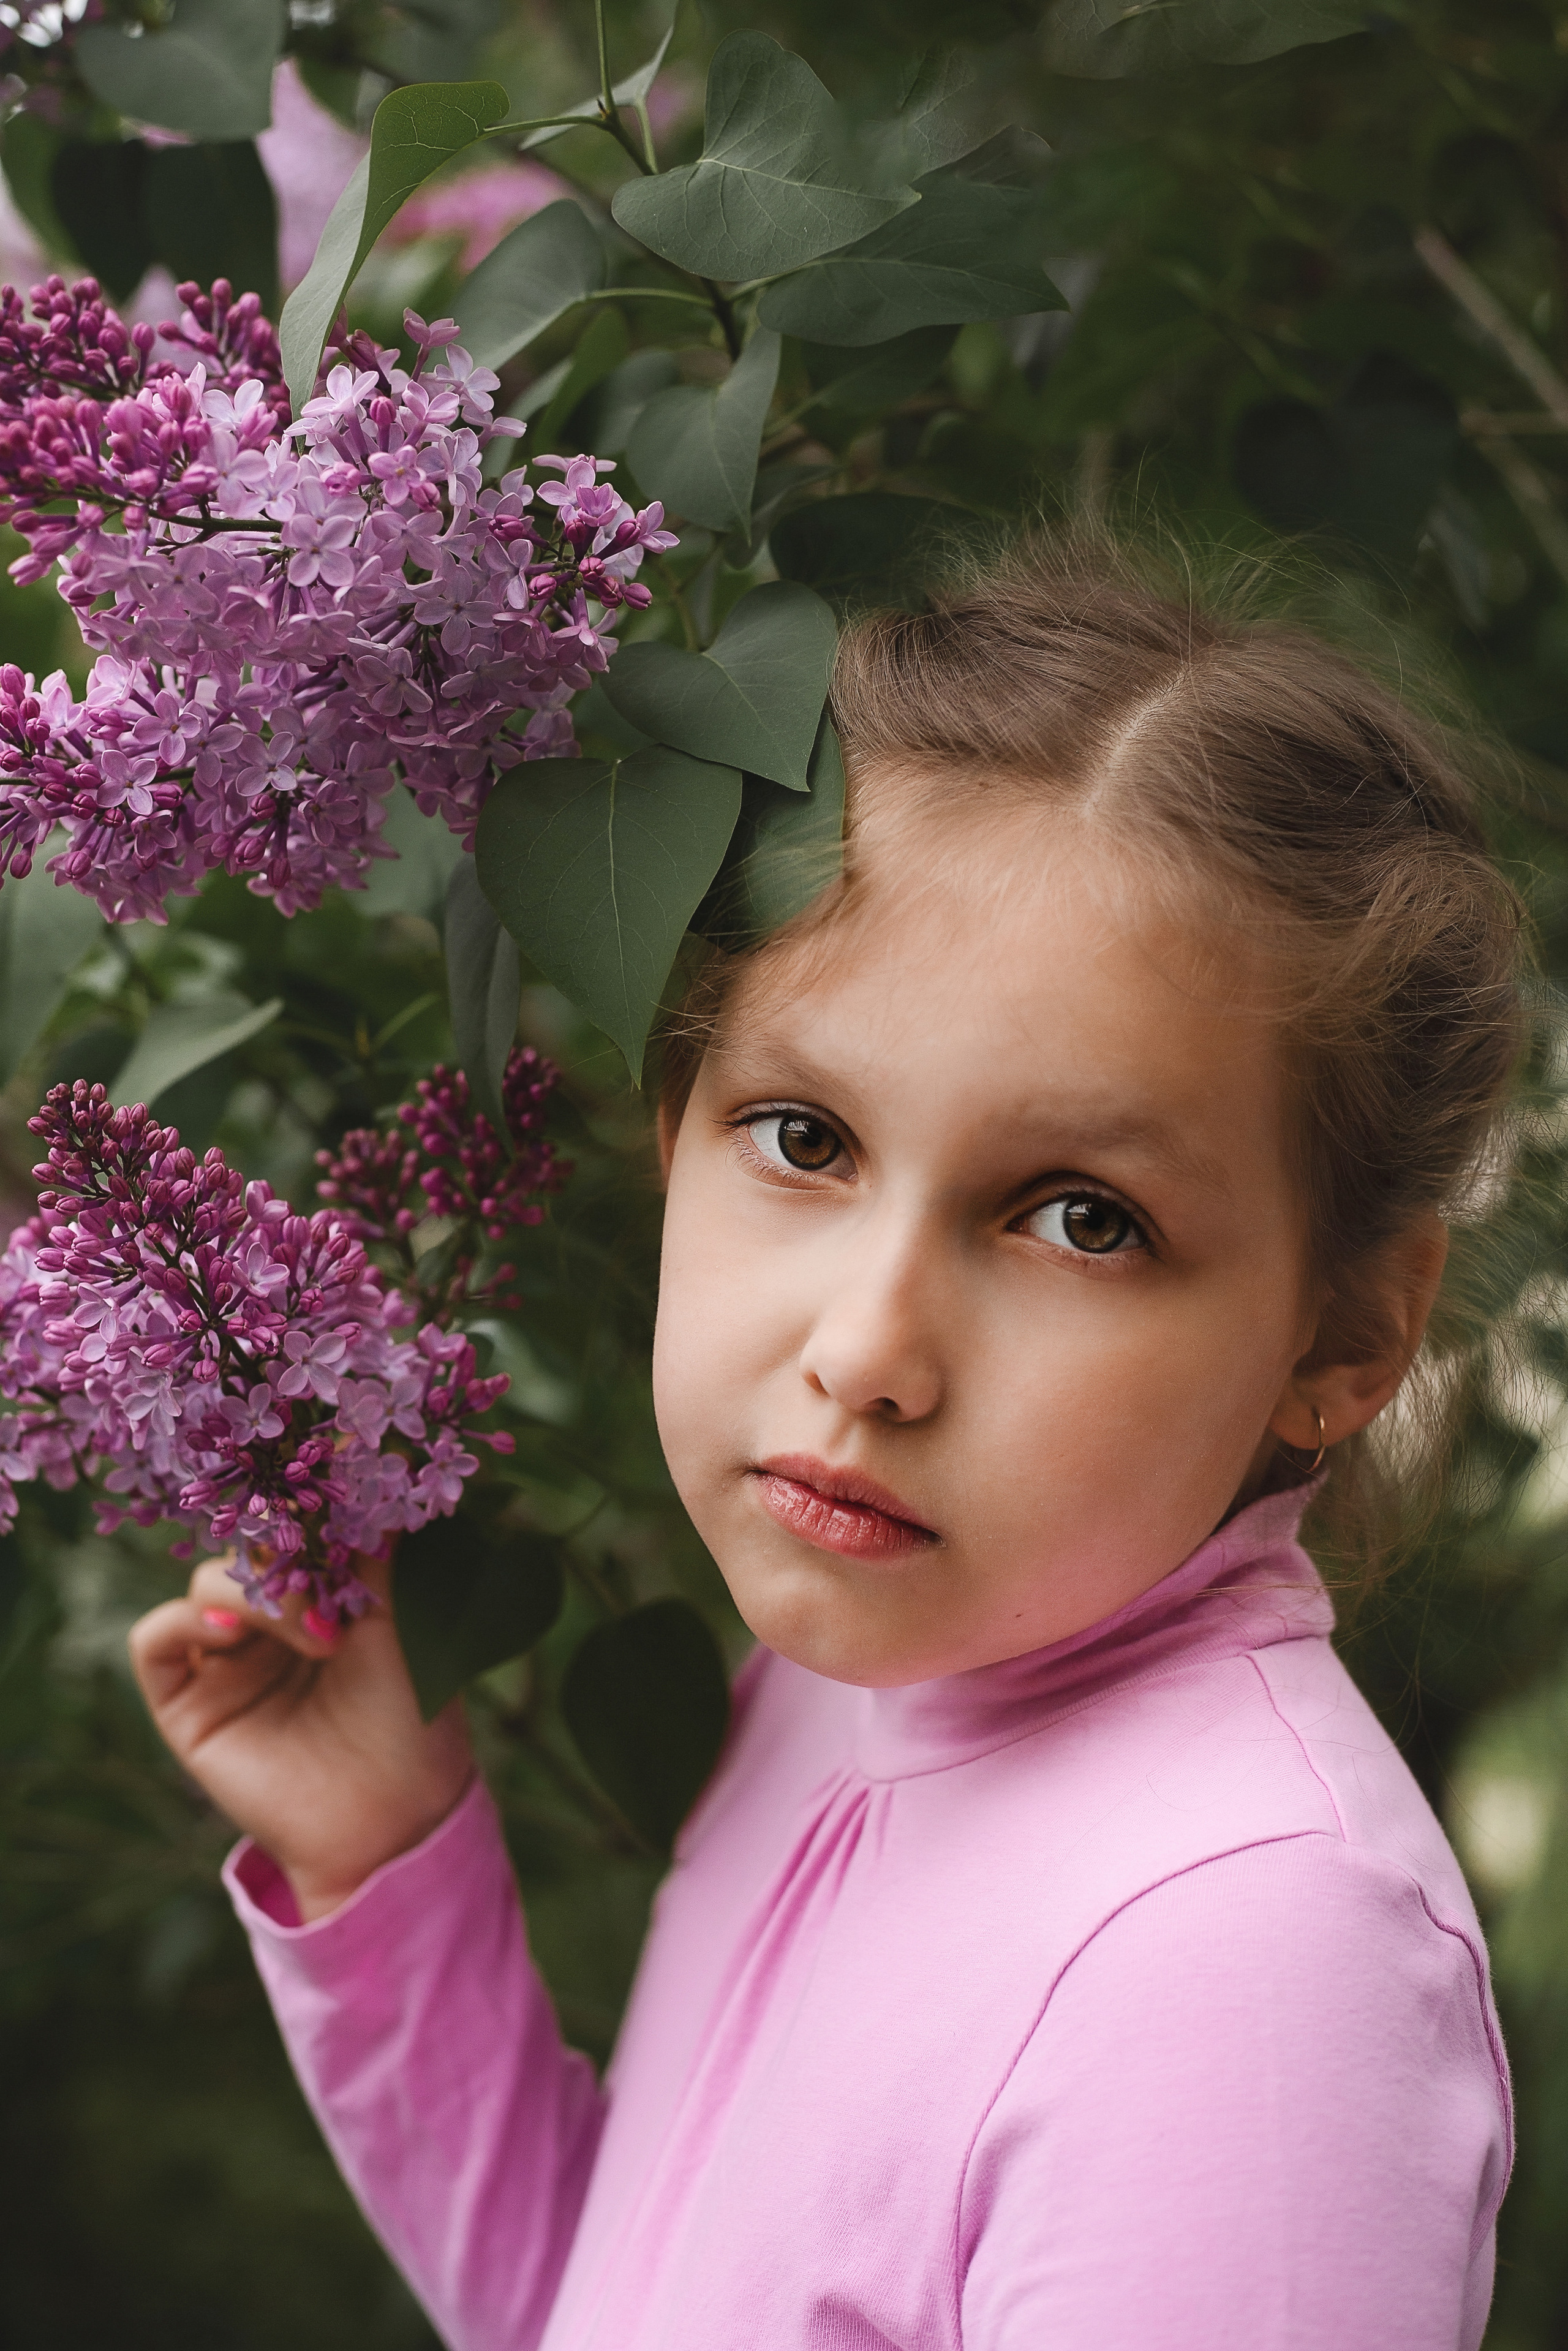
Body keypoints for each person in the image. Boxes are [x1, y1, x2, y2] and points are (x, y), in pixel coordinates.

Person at [129, 540, 1517, 2350]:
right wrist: (385, 1863)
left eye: (1082, 1219)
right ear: (674, 1118)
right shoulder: (860, 1666)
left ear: (1340, 1337)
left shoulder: (1245, 1968)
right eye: (803, 1136)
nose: (867, 1355)